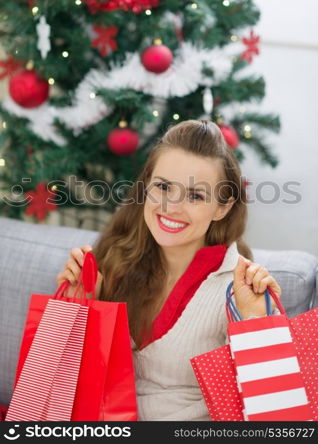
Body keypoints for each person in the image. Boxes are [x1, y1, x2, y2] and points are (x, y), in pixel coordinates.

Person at [56, 119, 281, 421]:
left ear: (222, 208)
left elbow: (270, 412)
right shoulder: (116, 260)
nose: (172, 207)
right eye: (163, 187)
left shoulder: (240, 289)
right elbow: (74, 381)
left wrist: (256, 322)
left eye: (195, 195)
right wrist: (83, 306)